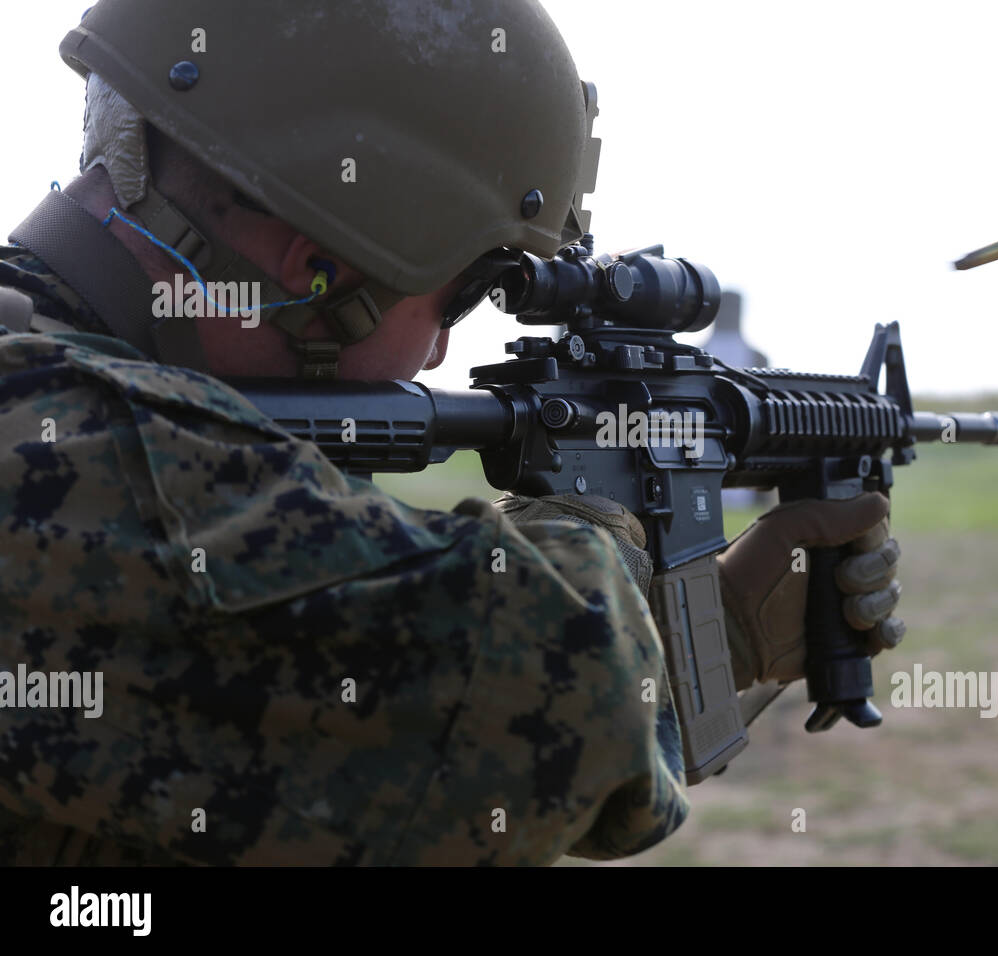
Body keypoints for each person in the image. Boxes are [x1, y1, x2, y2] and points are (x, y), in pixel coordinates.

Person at [0, 0, 904, 866]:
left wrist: (708, 628)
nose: (436, 353)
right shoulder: (46, 439)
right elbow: (520, 714)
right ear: (320, 270)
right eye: (465, 294)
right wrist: (610, 548)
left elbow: (322, 767)